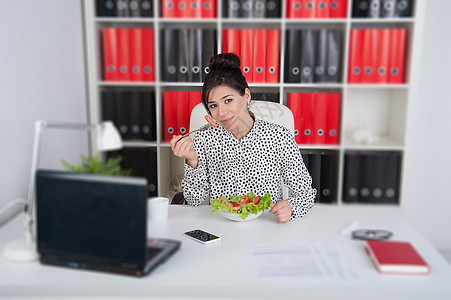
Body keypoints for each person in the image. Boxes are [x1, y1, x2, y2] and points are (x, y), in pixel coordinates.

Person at [170, 53, 316, 222]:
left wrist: (292, 208)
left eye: (228, 100)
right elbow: (194, 199)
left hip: (267, 225)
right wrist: (192, 161)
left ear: (246, 96)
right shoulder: (204, 139)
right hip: (222, 227)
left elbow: (304, 192)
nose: (221, 113)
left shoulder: (279, 136)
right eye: (213, 106)